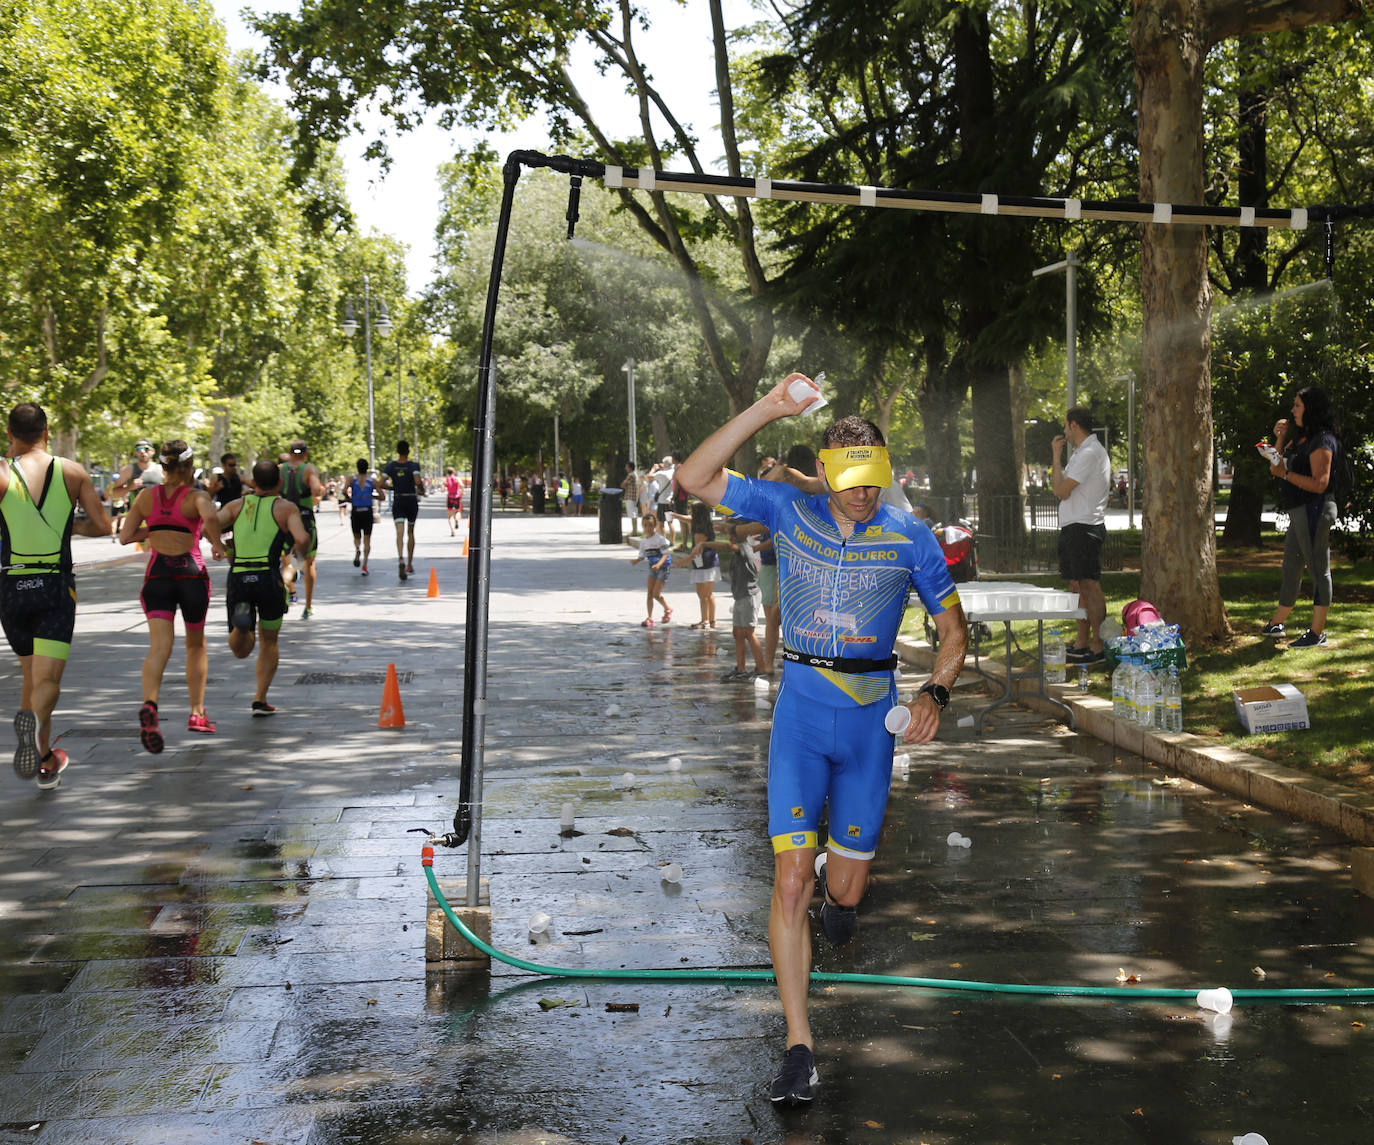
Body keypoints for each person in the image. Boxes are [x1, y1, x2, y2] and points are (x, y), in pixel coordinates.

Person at [676, 373, 968, 1107]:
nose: (863, 496)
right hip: (801, 717)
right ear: (828, 472)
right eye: (850, 481)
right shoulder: (786, 507)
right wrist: (770, 408)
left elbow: (954, 634)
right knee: (789, 879)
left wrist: (935, 689)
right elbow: (693, 476)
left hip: (871, 725)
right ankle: (798, 1045)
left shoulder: (910, 536)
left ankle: (845, 904)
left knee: (843, 888)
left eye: (876, 481)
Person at [1, 402, 112, 789]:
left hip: (11, 587)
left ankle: (45, 762)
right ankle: (32, 738)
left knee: (31, 676)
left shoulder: (2, 471)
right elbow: (101, 525)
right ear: (47, 432)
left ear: (9, 434)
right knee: (46, 681)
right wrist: (72, 527)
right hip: (54, 585)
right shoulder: (72, 472)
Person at [119, 440, 226, 749]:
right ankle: (196, 713)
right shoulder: (198, 498)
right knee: (195, 644)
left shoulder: (145, 497)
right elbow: (214, 537)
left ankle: (150, 704)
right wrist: (217, 546)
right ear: (190, 467)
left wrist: (153, 530)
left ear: (162, 467)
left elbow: (126, 537)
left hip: (158, 576)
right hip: (191, 576)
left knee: (158, 648)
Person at [216, 459, 310, 716]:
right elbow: (301, 538)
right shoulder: (286, 508)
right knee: (269, 641)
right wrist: (296, 554)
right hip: (268, 579)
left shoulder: (236, 505)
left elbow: (208, 523)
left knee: (241, 650)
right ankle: (260, 697)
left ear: (254, 482)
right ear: (279, 482)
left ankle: (241, 623)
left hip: (238, 576)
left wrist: (221, 548)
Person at [1262, 386, 1342, 648]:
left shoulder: (1323, 441)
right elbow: (1277, 470)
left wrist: (1286, 474)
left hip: (1315, 509)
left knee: (1319, 570)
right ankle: (1276, 624)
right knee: (1292, 568)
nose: (1292, 410)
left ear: (1310, 409)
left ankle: (1317, 634)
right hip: (1299, 512)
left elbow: (1320, 483)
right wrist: (1281, 438)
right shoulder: (1301, 440)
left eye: (1297, 405)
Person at [1051, 407, 1111, 665]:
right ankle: (1082, 643)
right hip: (1074, 527)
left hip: (1085, 528)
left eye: (1065, 425)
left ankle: (1098, 645)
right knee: (1077, 586)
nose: (1064, 430)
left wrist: (1055, 457)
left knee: (1089, 585)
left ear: (1074, 425)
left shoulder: (1089, 453)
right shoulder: (1080, 453)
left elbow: (1061, 490)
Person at [280, 440, 324, 618]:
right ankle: (308, 606)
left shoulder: (279, 469)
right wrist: (320, 492)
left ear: (290, 453)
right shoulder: (309, 470)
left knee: (287, 561)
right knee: (309, 562)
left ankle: (285, 584)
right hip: (304, 519)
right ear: (305, 454)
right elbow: (315, 490)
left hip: (283, 521)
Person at [720, 521, 766, 680]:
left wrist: (705, 544)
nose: (729, 537)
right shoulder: (740, 548)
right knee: (738, 633)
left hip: (749, 595)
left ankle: (761, 668)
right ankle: (740, 669)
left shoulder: (744, 548)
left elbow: (728, 547)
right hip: (740, 597)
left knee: (748, 632)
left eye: (731, 534)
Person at [382, 440, 425, 579]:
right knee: (411, 531)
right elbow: (417, 481)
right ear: (408, 451)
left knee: (399, 532)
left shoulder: (391, 466)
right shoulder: (413, 465)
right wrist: (421, 488)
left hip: (398, 500)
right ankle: (409, 564)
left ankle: (401, 558)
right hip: (411, 500)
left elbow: (381, 483)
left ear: (397, 451)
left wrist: (392, 488)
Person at [629, 512, 673, 627]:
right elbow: (642, 555)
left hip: (663, 567)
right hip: (652, 567)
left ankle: (667, 609)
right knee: (649, 593)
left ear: (654, 526)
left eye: (650, 525)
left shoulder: (660, 539)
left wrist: (659, 564)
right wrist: (636, 560)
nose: (647, 528)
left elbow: (666, 554)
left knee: (656, 594)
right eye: (645, 525)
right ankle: (650, 617)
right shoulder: (644, 542)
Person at [686, 501, 719, 629]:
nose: (690, 513)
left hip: (703, 564)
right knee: (709, 594)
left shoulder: (699, 530)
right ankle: (712, 620)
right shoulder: (707, 525)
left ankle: (704, 620)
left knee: (702, 594)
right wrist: (676, 516)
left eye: (691, 511)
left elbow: (697, 551)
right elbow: (687, 519)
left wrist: (684, 561)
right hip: (712, 562)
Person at [348, 459, 380, 574]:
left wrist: (350, 499)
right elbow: (382, 496)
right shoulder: (372, 480)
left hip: (356, 510)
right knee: (367, 539)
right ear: (367, 468)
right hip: (367, 511)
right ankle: (365, 566)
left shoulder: (352, 479)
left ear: (357, 467)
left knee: (357, 537)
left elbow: (343, 490)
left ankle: (357, 549)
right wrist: (372, 497)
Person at [109, 439, 164, 504]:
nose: (143, 452)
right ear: (135, 453)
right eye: (139, 449)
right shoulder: (128, 470)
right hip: (137, 512)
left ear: (153, 451)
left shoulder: (162, 469)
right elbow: (113, 494)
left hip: (158, 512)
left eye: (146, 449)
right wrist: (129, 487)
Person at [622, 462, 640, 537]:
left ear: (630, 467)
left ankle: (634, 531)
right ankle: (634, 530)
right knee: (634, 514)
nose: (625, 468)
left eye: (626, 467)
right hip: (634, 497)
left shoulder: (630, 475)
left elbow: (623, 485)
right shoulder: (635, 474)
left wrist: (624, 483)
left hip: (630, 497)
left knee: (632, 514)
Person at [444, 467, 464, 535]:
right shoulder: (457, 478)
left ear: (447, 472)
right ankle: (457, 520)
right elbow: (462, 485)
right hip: (457, 497)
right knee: (458, 511)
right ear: (453, 472)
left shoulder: (446, 479)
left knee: (450, 516)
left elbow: (442, 489)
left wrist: (445, 486)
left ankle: (452, 530)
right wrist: (461, 490)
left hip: (450, 497)